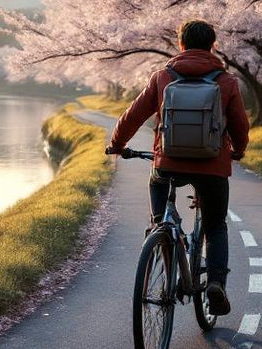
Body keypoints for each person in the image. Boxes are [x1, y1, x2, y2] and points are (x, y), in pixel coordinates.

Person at [105, 19, 250, 315]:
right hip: (212, 167)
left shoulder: (163, 77)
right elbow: (240, 126)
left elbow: (133, 115)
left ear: (181, 44)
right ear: (213, 45)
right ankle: (216, 284)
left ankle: (162, 233)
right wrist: (238, 150)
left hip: (168, 164)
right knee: (215, 225)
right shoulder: (227, 81)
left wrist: (117, 144)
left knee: (158, 189)